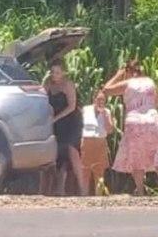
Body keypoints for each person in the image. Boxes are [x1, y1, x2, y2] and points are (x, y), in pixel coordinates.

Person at [102, 59, 158, 196]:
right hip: (152, 120)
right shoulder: (150, 82)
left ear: (128, 71)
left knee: (137, 157)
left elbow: (106, 90)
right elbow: (157, 102)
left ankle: (140, 190)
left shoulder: (128, 83)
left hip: (135, 122)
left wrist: (118, 74)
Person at [40, 60, 83, 196]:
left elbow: (72, 106)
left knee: (72, 151)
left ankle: (83, 188)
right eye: (52, 72)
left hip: (71, 121)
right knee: (59, 155)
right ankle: (60, 189)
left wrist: (56, 118)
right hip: (56, 123)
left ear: (63, 73)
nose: (54, 75)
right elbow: (41, 99)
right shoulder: (48, 84)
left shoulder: (68, 85)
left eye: (57, 72)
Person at [80, 91, 114, 196]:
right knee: (85, 172)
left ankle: (98, 196)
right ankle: (84, 195)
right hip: (87, 141)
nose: (101, 102)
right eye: (99, 99)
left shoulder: (107, 112)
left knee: (99, 173)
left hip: (100, 142)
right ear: (94, 99)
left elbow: (110, 130)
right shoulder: (86, 110)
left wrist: (105, 116)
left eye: (103, 100)